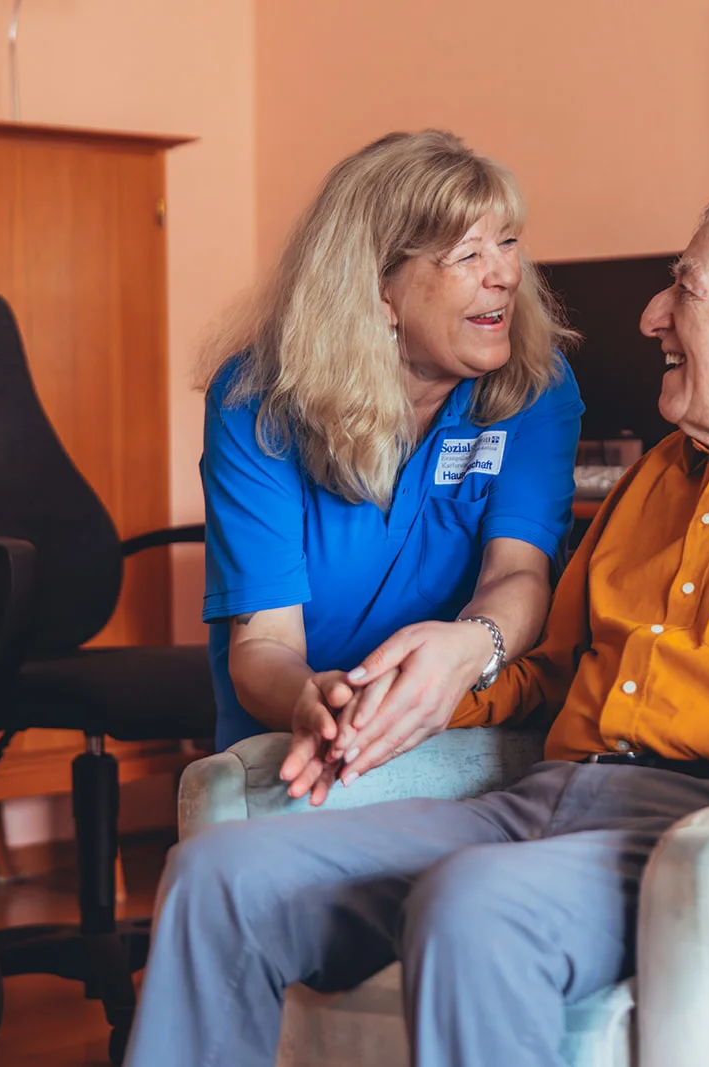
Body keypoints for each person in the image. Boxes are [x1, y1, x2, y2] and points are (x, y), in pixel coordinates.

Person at [127, 192, 709, 1067]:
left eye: (684, 289)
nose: (651, 316)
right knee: (220, 872)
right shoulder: (663, 473)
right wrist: (408, 692)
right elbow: (544, 668)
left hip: (706, 830)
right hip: (544, 798)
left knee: (478, 907)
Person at [197, 130, 583, 758]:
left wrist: (471, 645)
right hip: (297, 737)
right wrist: (318, 703)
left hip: (463, 724)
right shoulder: (256, 399)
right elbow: (264, 646)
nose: (507, 275)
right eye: (467, 255)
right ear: (379, 291)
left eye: (508, 243)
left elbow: (517, 572)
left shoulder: (536, 385)